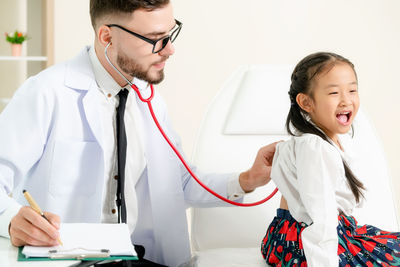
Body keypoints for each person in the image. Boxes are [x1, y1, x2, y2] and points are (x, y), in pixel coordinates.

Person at [0, 1, 277, 266]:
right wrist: (12, 218)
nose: (169, 50)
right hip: (70, 258)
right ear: (107, 37)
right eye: (155, 38)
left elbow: (178, 184)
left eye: (170, 33)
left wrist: (247, 179)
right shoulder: (46, 92)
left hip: (139, 258)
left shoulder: (149, 99)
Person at [260, 52, 400, 266]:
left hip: (287, 236)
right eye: (334, 92)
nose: (346, 100)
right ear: (306, 102)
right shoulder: (314, 147)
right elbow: (321, 218)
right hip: (302, 242)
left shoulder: (319, 141)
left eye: (352, 90)